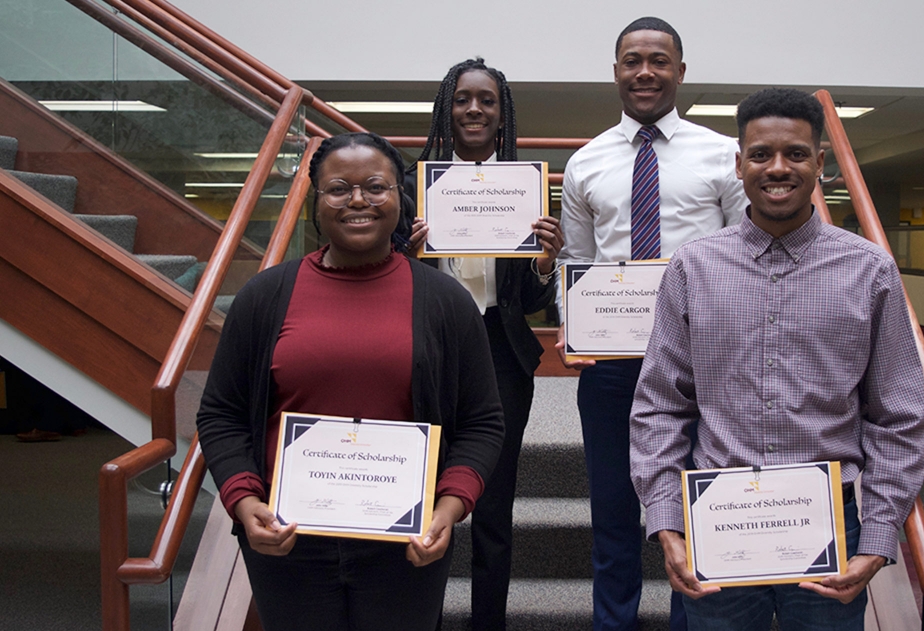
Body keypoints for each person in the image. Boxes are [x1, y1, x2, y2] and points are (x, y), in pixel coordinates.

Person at [630, 87, 924, 630]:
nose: (778, 168)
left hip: (830, 530)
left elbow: (899, 417)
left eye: (795, 154)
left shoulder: (870, 271)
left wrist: (880, 539)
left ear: (820, 162)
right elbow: (659, 408)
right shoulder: (693, 269)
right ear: (739, 162)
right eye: (761, 154)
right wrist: (668, 523)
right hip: (717, 526)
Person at [195, 131, 505, 631]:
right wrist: (244, 500)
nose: (358, 200)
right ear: (315, 202)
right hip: (288, 539)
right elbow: (221, 414)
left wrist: (449, 508)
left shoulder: (446, 303)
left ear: (400, 199)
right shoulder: (264, 297)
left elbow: (482, 422)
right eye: (338, 188)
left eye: (376, 186)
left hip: (405, 545)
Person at [554, 17, 748, 631]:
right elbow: (575, 261)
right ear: (615, 71)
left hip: (704, 366)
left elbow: (748, 256)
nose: (645, 72)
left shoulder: (723, 155)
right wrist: (571, 324)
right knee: (614, 515)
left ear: (681, 72)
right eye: (632, 60)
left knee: (698, 512)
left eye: (658, 60)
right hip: (613, 366)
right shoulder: (586, 162)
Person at [404, 58, 565, 631]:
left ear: (502, 114)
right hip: (426, 352)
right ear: (447, 109)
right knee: (420, 499)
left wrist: (545, 262)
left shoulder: (524, 187)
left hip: (500, 351)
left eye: (487, 100)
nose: (474, 109)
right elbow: (383, 282)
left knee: (494, 509)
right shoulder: (411, 187)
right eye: (463, 99)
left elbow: (526, 299)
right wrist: (411, 257)